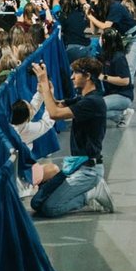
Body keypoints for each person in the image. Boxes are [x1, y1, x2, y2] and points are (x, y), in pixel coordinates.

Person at [30, 57, 113, 217]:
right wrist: (48, 91)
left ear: (87, 76)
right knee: (36, 203)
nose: (72, 77)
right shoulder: (84, 98)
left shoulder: (93, 102)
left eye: (76, 73)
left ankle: (91, 194)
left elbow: (54, 114)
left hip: (88, 170)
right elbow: (57, 104)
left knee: (50, 209)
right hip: (75, 165)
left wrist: (44, 83)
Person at [96, 29, 135, 128]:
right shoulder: (106, 55)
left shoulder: (118, 57)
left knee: (96, 108)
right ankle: (121, 114)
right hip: (110, 93)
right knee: (92, 106)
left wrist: (104, 77)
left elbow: (125, 81)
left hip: (123, 95)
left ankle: (122, 115)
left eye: (102, 38)